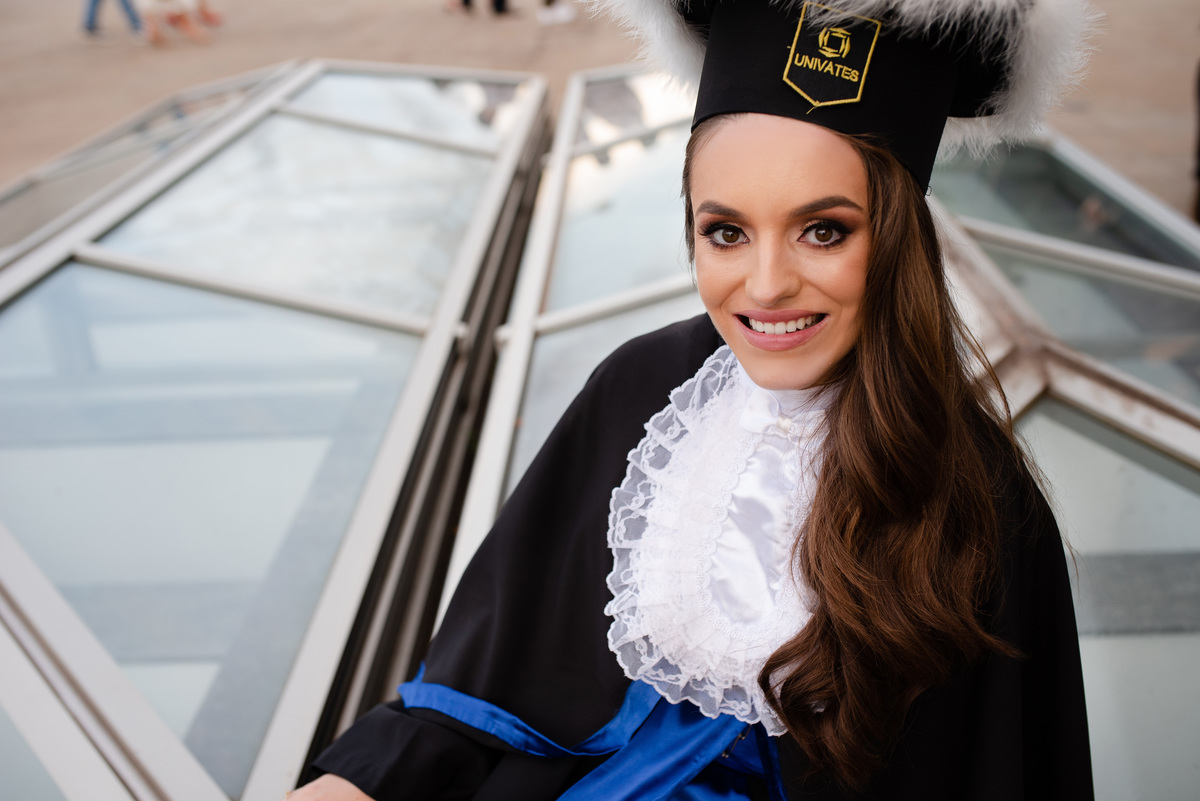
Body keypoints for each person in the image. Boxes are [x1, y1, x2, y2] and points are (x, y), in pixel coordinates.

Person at [291, 1, 1099, 798]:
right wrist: (351, 785)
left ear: (898, 241)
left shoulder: (988, 503)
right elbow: (482, 687)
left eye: (824, 230)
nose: (767, 285)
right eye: (726, 232)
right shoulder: (646, 387)